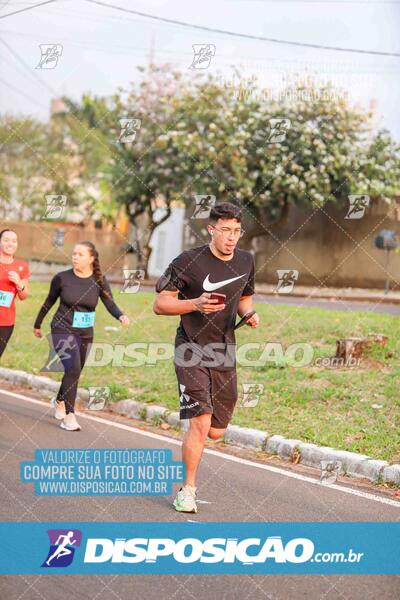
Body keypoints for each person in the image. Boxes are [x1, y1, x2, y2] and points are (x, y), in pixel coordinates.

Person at [153, 202, 259, 513]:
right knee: (200, 423)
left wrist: (249, 313)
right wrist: (195, 304)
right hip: (191, 347)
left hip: (224, 350)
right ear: (211, 229)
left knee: (216, 429)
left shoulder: (246, 261)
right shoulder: (188, 261)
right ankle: (188, 489)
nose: (231, 237)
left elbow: (245, 295)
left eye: (237, 231)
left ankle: (201, 434)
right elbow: (160, 304)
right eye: (225, 230)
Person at [33, 241, 129, 431]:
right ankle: (69, 416)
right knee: (74, 368)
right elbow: (49, 302)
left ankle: (60, 400)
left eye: (80, 254)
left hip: (85, 333)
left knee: (74, 371)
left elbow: (109, 303)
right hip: (62, 328)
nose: (75, 257)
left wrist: (120, 315)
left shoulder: (99, 280)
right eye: (74, 253)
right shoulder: (62, 278)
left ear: (92, 258)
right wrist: (38, 324)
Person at [0, 229, 30, 358]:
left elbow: (23, 296)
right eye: (6, 240)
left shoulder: (22, 266)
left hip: (6, 322)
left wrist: (18, 283)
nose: (10, 244)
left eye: (14, 241)